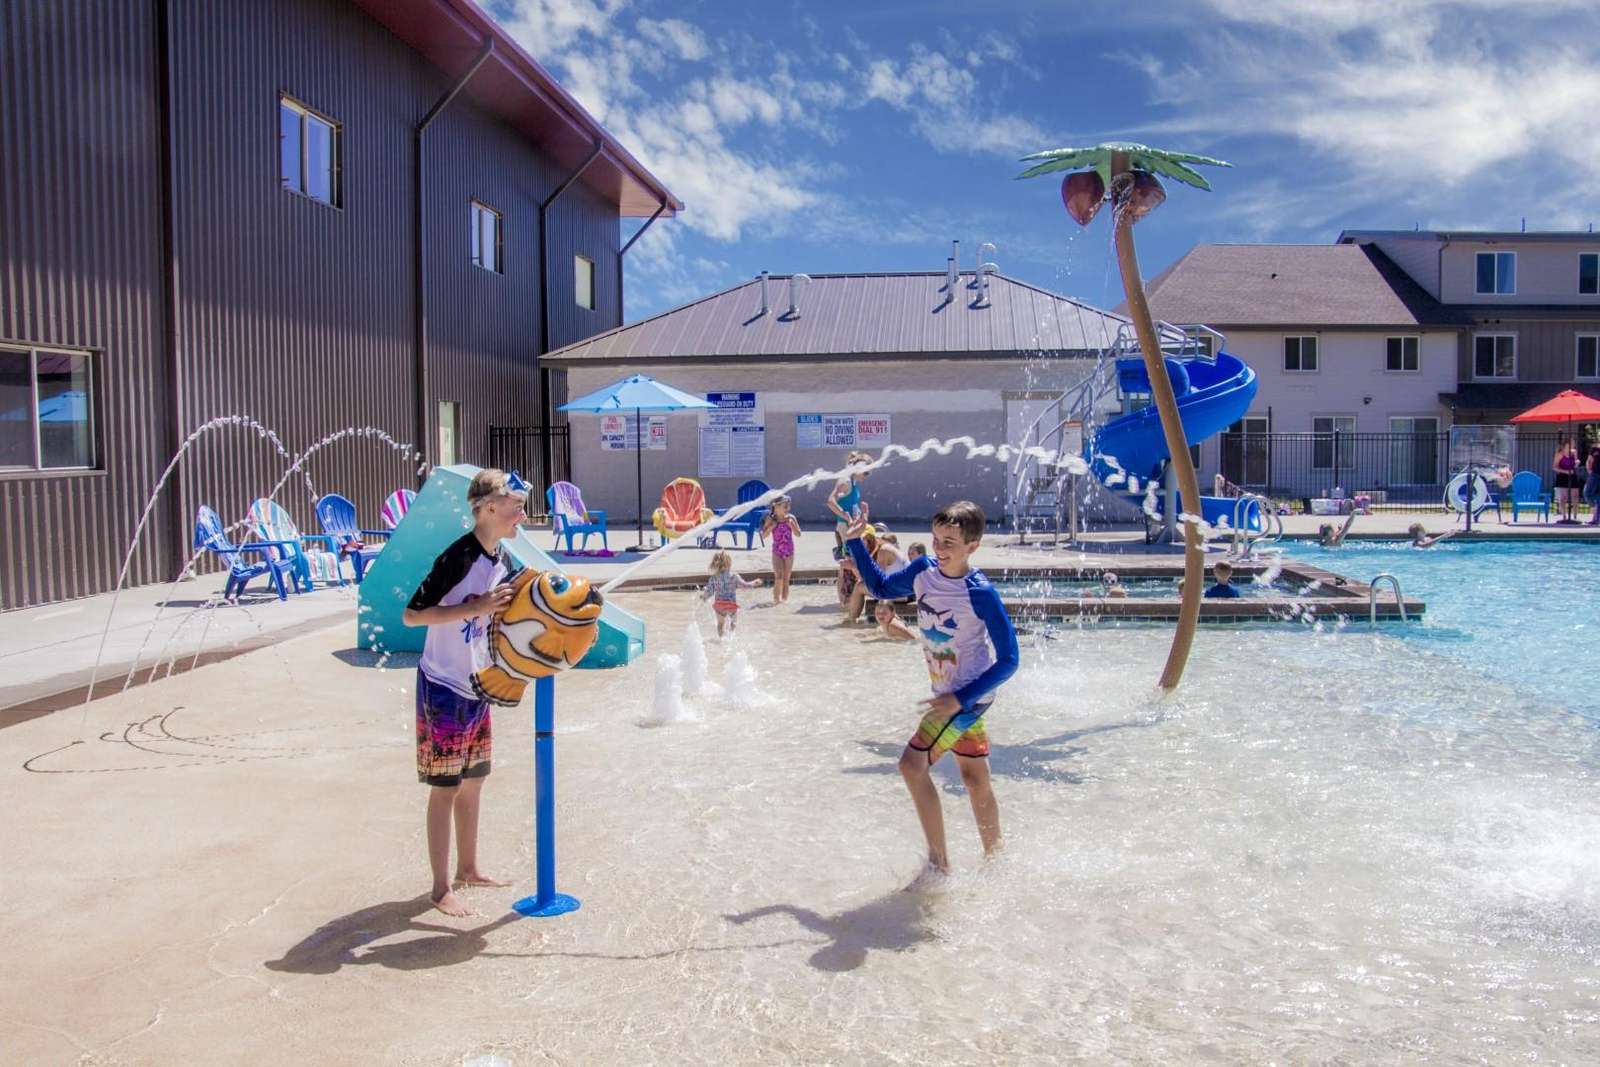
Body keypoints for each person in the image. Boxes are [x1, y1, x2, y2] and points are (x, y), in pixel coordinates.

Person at [843, 500, 1018, 882]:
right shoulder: (923, 571)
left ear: (973, 546)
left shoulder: (981, 593)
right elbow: (880, 586)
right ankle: (997, 859)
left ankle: (939, 867)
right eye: (936, 539)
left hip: (968, 696)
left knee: (911, 765)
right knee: (973, 777)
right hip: (951, 694)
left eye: (949, 542)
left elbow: (1009, 660)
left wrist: (958, 699)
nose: (939, 548)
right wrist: (856, 541)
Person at [400, 469, 525, 917]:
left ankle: (468, 868)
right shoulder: (460, 556)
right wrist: (475, 607)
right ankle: (440, 889)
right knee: (445, 788)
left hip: (476, 685)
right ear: (489, 508)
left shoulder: (502, 558)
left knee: (474, 781)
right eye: (516, 506)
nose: (522, 515)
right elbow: (412, 616)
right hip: (443, 685)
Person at [702, 549, 760, 637]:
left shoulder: (713, 578)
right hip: (731, 605)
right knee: (734, 622)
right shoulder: (734, 576)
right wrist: (754, 583)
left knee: (720, 624)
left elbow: (709, 591)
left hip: (719, 605)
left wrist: (704, 597)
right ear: (729, 563)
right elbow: (744, 586)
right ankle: (730, 637)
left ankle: (721, 639)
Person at [759, 495, 801, 603]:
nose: (788, 508)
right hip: (777, 551)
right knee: (779, 577)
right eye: (785, 506)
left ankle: (784, 601)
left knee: (786, 579)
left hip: (789, 551)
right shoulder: (771, 519)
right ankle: (776, 601)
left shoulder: (791, 518)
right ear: (776, 507)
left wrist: (792, 526)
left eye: (789, 506)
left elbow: (798, 534)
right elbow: (763, 536)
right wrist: (770, 528)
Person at [827, 450, 872, 545]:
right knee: (852, 553)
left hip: (852, 526)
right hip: (845, 526)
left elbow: (850, 502)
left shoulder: (853, 481)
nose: (867, 476)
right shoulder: (846, 481)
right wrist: (846, 516)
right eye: (866, 472)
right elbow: (830, 502)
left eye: (869, 473)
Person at [1553, 436, 1580, 520]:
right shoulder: (1560, 453)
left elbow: (1575, 465)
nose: (1574, 444)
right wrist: (1565, 471)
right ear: (1567, 444)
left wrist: (1577, 463)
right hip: (1562, 476)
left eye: (1574, 443)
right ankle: (1564, 516)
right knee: (1563, 498)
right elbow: (1554, 467)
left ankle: (1575, 517)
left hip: (1572, 475)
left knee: (1575, 496)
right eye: (1572, 442)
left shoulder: (1574, 452)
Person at [1585, 446, 1600, 525]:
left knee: (1598, 497)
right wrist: (1589, 471)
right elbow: (1588, 461)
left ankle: (1595, 519)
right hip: (1595, 475)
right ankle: (1595, 517)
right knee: (1588, 494)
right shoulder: (1595, 449)